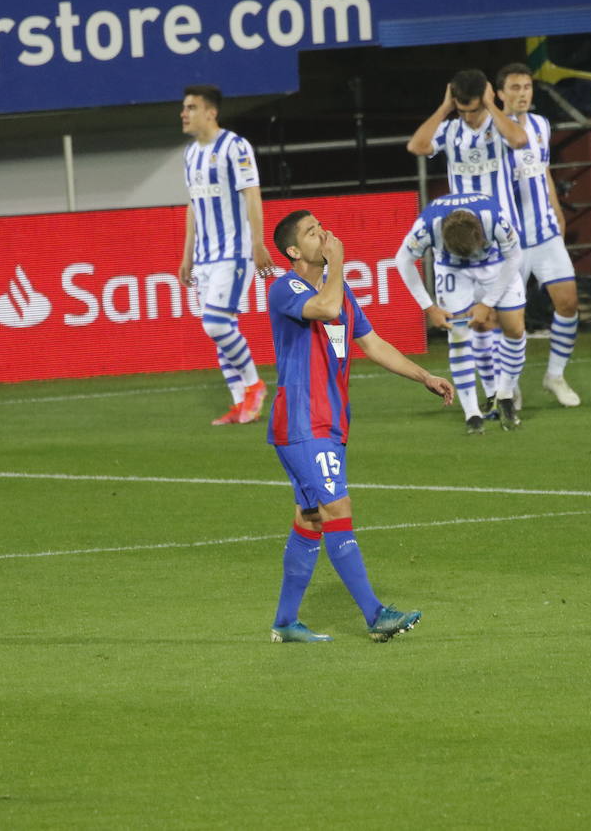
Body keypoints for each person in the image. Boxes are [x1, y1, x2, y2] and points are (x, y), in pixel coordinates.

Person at [266, 209, 455, 643]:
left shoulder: (340, 290)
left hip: (329, 422)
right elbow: (326, 307)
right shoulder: (285, 288)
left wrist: (424, 376)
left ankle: (286, 622)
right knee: (338, 509)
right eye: (311, 232)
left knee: (310, 519)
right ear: (293, 251)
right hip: (303, 421)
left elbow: (372, 343)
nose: (323, 234)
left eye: (322, 227)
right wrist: (337, 263)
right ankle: (376, 615)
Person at [407, 69, 529, 416]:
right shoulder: (449, 130)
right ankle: (494, 392)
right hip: (462, 242)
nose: (469, 117)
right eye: (464, 110)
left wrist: (491, 106)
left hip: (502, 238)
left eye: (473, 109)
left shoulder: (500, 125)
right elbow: (417, 146)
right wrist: (445, 109)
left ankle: (505, 383)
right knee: (477, 324)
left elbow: (520, 140)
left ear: (485, 98)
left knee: (512, 325)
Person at [179, 84, 275, 425]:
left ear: (211, 112)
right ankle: (241, 404)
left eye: (191, 107)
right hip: (204, 257)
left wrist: (258, 243)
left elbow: (252, 194)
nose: (184, 114)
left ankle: (254, 385)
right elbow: (193, 205)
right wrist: (187, 254)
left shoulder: (235, 146)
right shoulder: (190, 154)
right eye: (184, 108)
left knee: (216, 324)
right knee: (221, 331)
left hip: (233, 253)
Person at [394, 192, 524, 434]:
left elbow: (515, 256)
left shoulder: (494, 217)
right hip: (452, 271)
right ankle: (472, 413)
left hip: (496, 264)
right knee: (459, 335)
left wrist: (488, 303)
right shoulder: (428, 225)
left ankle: (505, 394)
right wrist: (429, 307)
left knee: (515, 329)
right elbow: (402, 259)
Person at [495, 62, 582, 408]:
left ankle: (555, 375)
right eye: (515, 88)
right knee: (510, 319)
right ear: (499, 94)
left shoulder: (541, 125)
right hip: (510, 240)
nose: (523, 94)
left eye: (527, 87)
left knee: (568, 302)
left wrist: (557, 210)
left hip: (545, 233)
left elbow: (543, 169)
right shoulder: (492, 131)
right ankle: (509, 384)